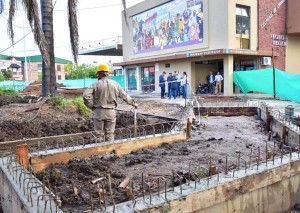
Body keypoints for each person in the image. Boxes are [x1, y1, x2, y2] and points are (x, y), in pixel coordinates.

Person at [83, 63, 138, 142]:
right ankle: (110, 151)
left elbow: (85, 95)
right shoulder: (115, 84)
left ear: (101, 73)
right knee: (110, 134)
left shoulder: (95, 84)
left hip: (99, 111)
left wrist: (91, 106)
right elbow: (124, 96)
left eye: (98, 74)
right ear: (107, 73)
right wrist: (133, 103)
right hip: (111, 112)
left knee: (99, 134)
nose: (97, 76)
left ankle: (100, 152)